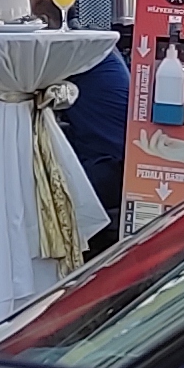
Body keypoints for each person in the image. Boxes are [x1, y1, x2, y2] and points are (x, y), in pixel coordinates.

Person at [63, 27, 131, 252]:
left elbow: (27, 85)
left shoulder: (76, 56)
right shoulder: (100, 52)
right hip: (115, 163)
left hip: (106, 168)